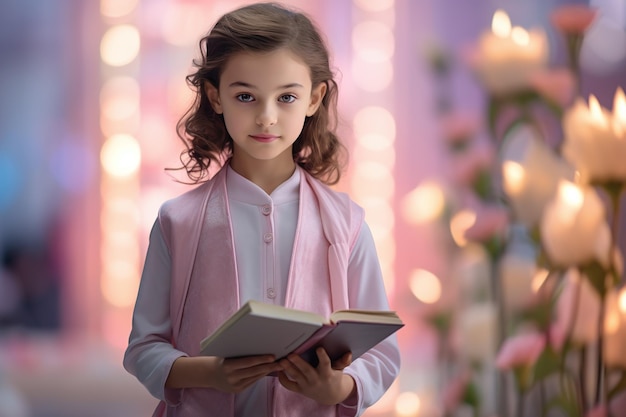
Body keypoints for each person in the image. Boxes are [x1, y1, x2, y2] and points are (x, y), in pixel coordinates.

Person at [123, 3, 401, 416]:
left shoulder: (348, 224)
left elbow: (382, 354)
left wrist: (337, 387)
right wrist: (207, 373)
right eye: (245, 96)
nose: (266, 117)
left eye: (286, 96)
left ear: (315, 97)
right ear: (216, 96)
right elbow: (142, 349)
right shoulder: (176, 222)